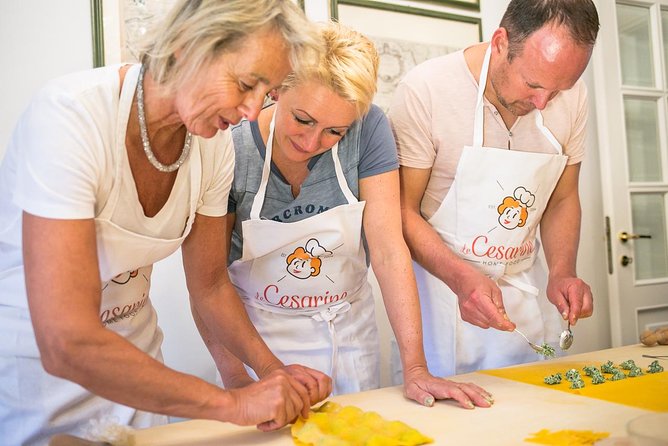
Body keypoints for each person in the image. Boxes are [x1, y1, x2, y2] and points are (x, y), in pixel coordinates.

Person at [0, 1, 332, 444]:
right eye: (245, 84)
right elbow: (67, 342)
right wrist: (233, 404)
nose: (252, 112)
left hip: (141, 380)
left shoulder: (212, 145)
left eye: (266, 94)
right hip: (38, 381)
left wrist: (273, 373)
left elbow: (210, 286)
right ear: (185, 46)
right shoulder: (70, 117)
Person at [200, 21, 493, 410]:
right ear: (277, 89)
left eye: (334, 131)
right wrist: (237, 378)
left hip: (350, 333)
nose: (310, 143)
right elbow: (208, 283)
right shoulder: (232, 148)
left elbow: (389, 252)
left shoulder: (370, 129)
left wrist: (417, 369)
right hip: (260, 338)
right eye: (303, 120)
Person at [388, 0, 598, 380]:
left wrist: (562, 272)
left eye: (558, 90)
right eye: (533, 84)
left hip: (520, 292)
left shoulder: (573, 96)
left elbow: (562, 197)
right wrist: (459, 278)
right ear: (500, 41)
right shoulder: (427, 90)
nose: (542, 103)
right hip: (441, 296)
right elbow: (402, 210)